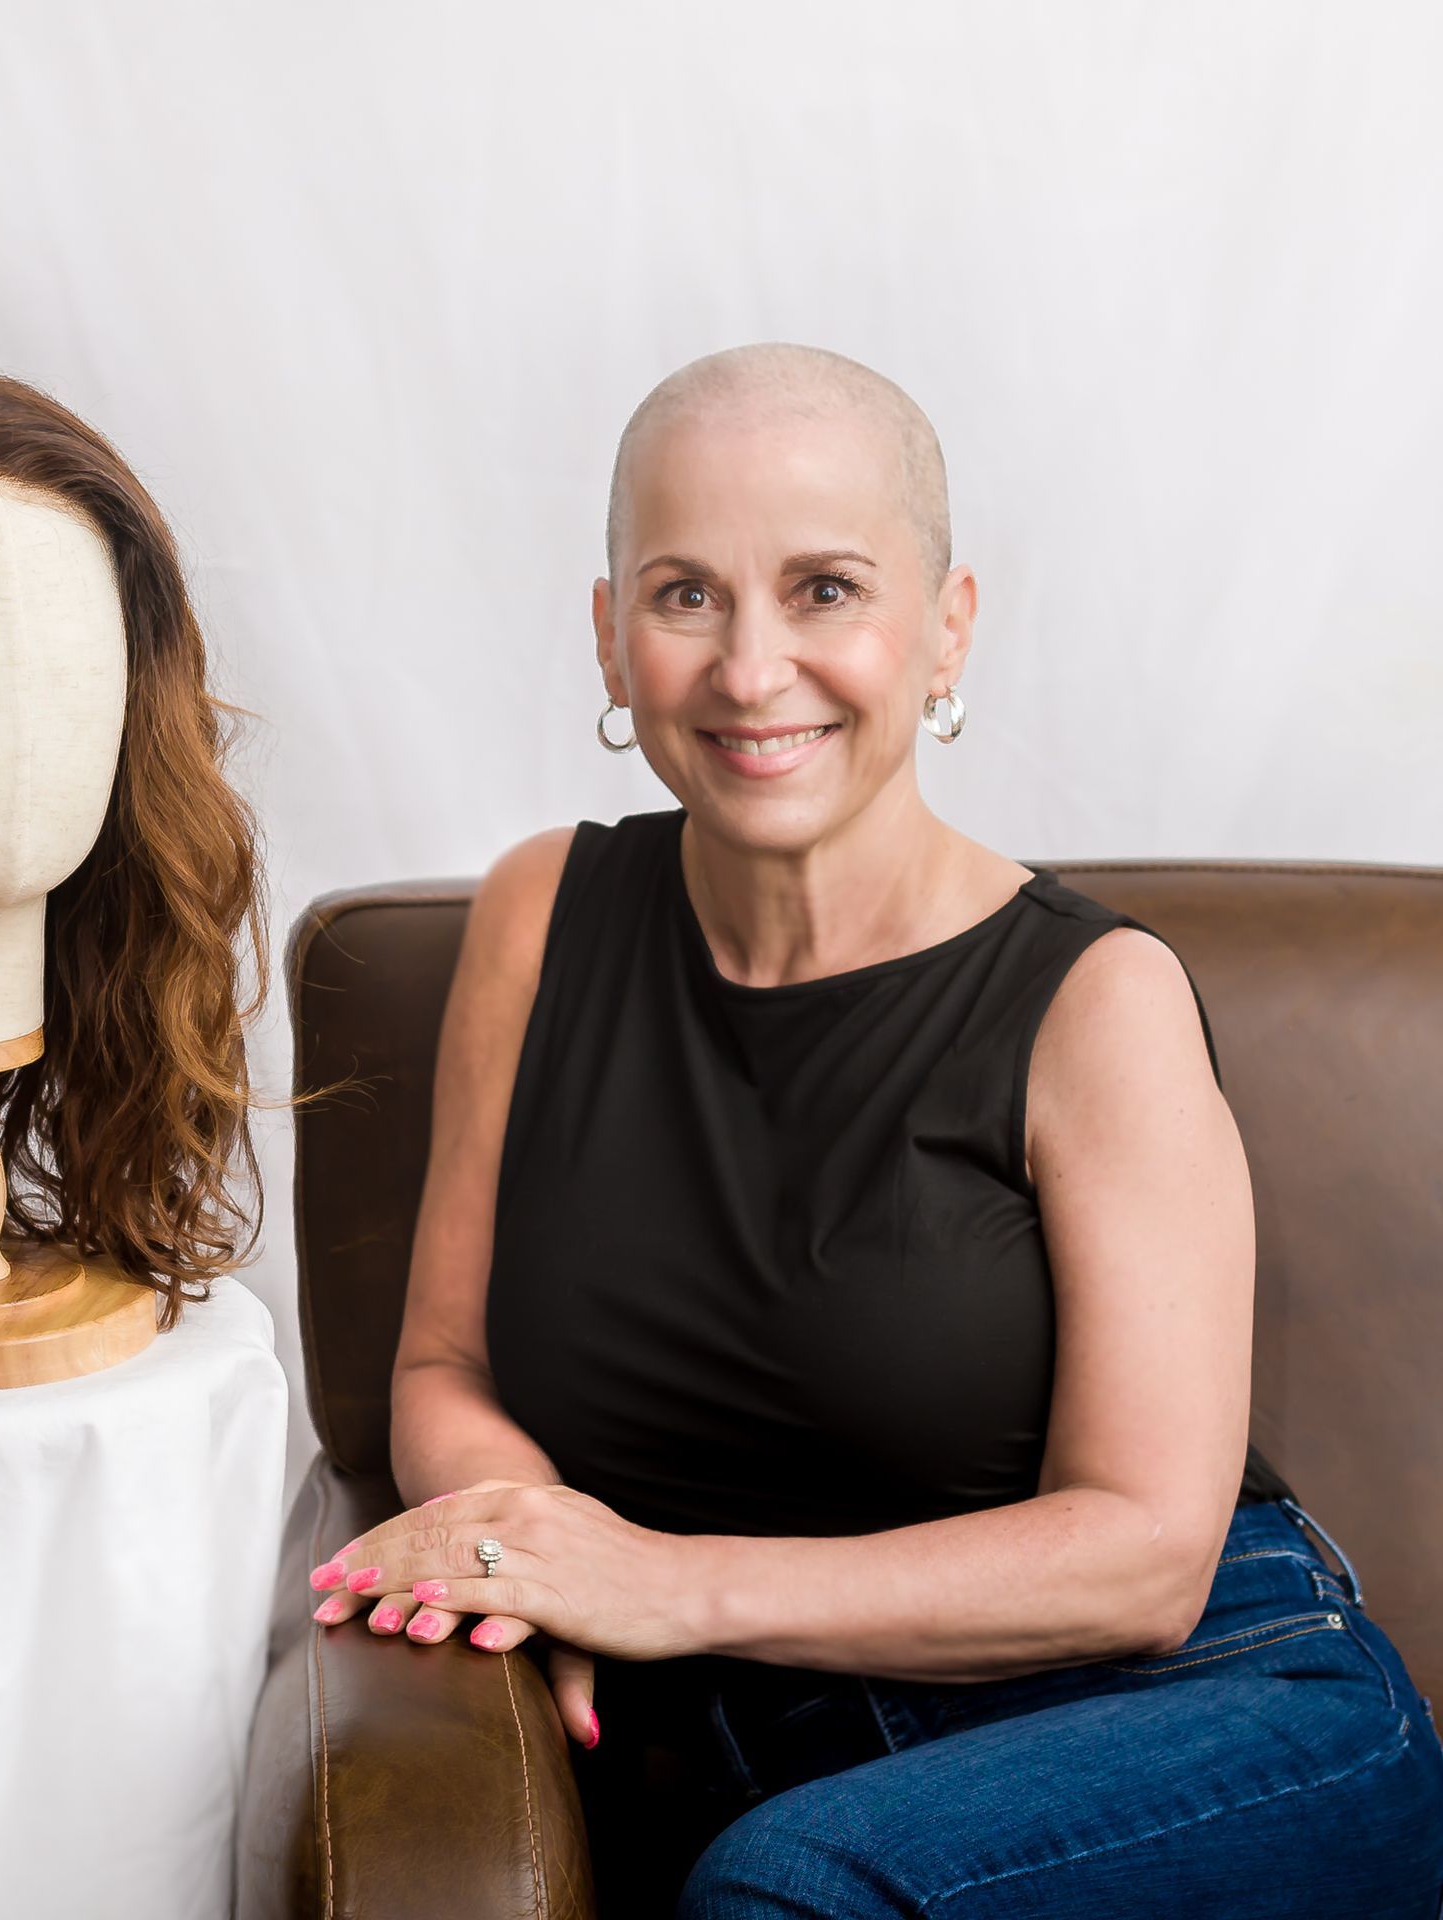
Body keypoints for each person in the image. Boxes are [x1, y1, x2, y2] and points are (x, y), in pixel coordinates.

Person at [303, 344, 1443, 1914]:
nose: (752, 668)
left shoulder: (1092, 999)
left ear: (945, 627)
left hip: (1202, 1714)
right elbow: (445, 1368)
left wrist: (662, 1585)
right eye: (685, 593)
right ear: (608, 634)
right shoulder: (540, 917)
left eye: (825, 588)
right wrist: (526, 1551)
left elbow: (1147, 1555)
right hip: (785, 1737)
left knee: (784, 1887)